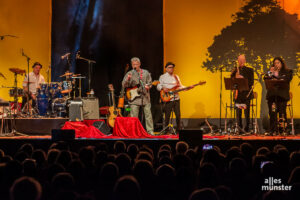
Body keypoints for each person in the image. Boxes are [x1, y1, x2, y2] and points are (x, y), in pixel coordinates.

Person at [122, 57, 154, 135]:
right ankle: (133, 132)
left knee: (148, 115)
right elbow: (123, 84)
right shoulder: (129, 73)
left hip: (145, 97)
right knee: (134, 117)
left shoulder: (146, 72)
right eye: (133, 64)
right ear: (131, 65)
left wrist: (148, 86)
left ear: (139, 64)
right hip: (134, 98)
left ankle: (150, 131)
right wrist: (127, 79)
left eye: (136, 64)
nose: (135, 66)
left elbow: (150, 83)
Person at [264, 57, 293, 135]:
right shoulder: (271, 72)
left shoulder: (287, 72)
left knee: (282, 113)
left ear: (282, 63)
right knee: (272, 113)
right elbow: (266, 78)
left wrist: (276, 75)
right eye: (275, 63)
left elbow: (286, 79)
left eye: (278, 63)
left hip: (282, 97)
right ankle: (272, 130)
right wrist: (270, 72)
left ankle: (283, 130)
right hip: (272, 97)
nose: (276, 64)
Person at [157, 62, 187, 132]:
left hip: (176, 98)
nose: (171, 69)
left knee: (178, 115)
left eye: (172, 67)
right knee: (167, 115)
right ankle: (166, 130)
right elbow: (158, 86)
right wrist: (163, 88)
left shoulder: (176, 76)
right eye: (169, 67)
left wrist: (187, 87)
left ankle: (178, 130)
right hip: (168, 98)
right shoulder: (162, 77)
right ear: (166, 69)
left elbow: (180, 86)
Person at [230, 55, 254, 133]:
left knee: (247, 113)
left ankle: (247, 129)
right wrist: (234, 76)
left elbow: (251, 82)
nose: (241, 62)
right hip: (238, 94)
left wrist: (242, 79)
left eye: (242, 60)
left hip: (246, 94)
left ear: (245, 61)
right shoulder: (235, 70)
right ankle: (239, 129)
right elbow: (231, 82)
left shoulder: (250, 70)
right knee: (238, 113)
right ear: (238, 61)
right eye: (239, 60)